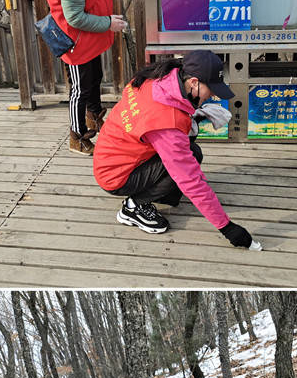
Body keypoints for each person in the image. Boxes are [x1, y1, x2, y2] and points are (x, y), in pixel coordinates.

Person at [92, 50, 259, 247]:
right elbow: (190, 180)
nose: (213, 94)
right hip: (115, 175)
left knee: (190, 152)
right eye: (211, 88)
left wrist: (194, 113)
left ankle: (157, 193)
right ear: (194, 82)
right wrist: (227, 227)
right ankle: (133, 207)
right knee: (189, 161)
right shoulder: (166, 120)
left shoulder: (158, 78)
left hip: (111, 155)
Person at [46, 0, 167, 155]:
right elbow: (75, 18)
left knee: (95, 79)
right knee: (79, 90)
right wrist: (108, 23)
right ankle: (77, 136)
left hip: (90, 38)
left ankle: (94, 118)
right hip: (75, 42)